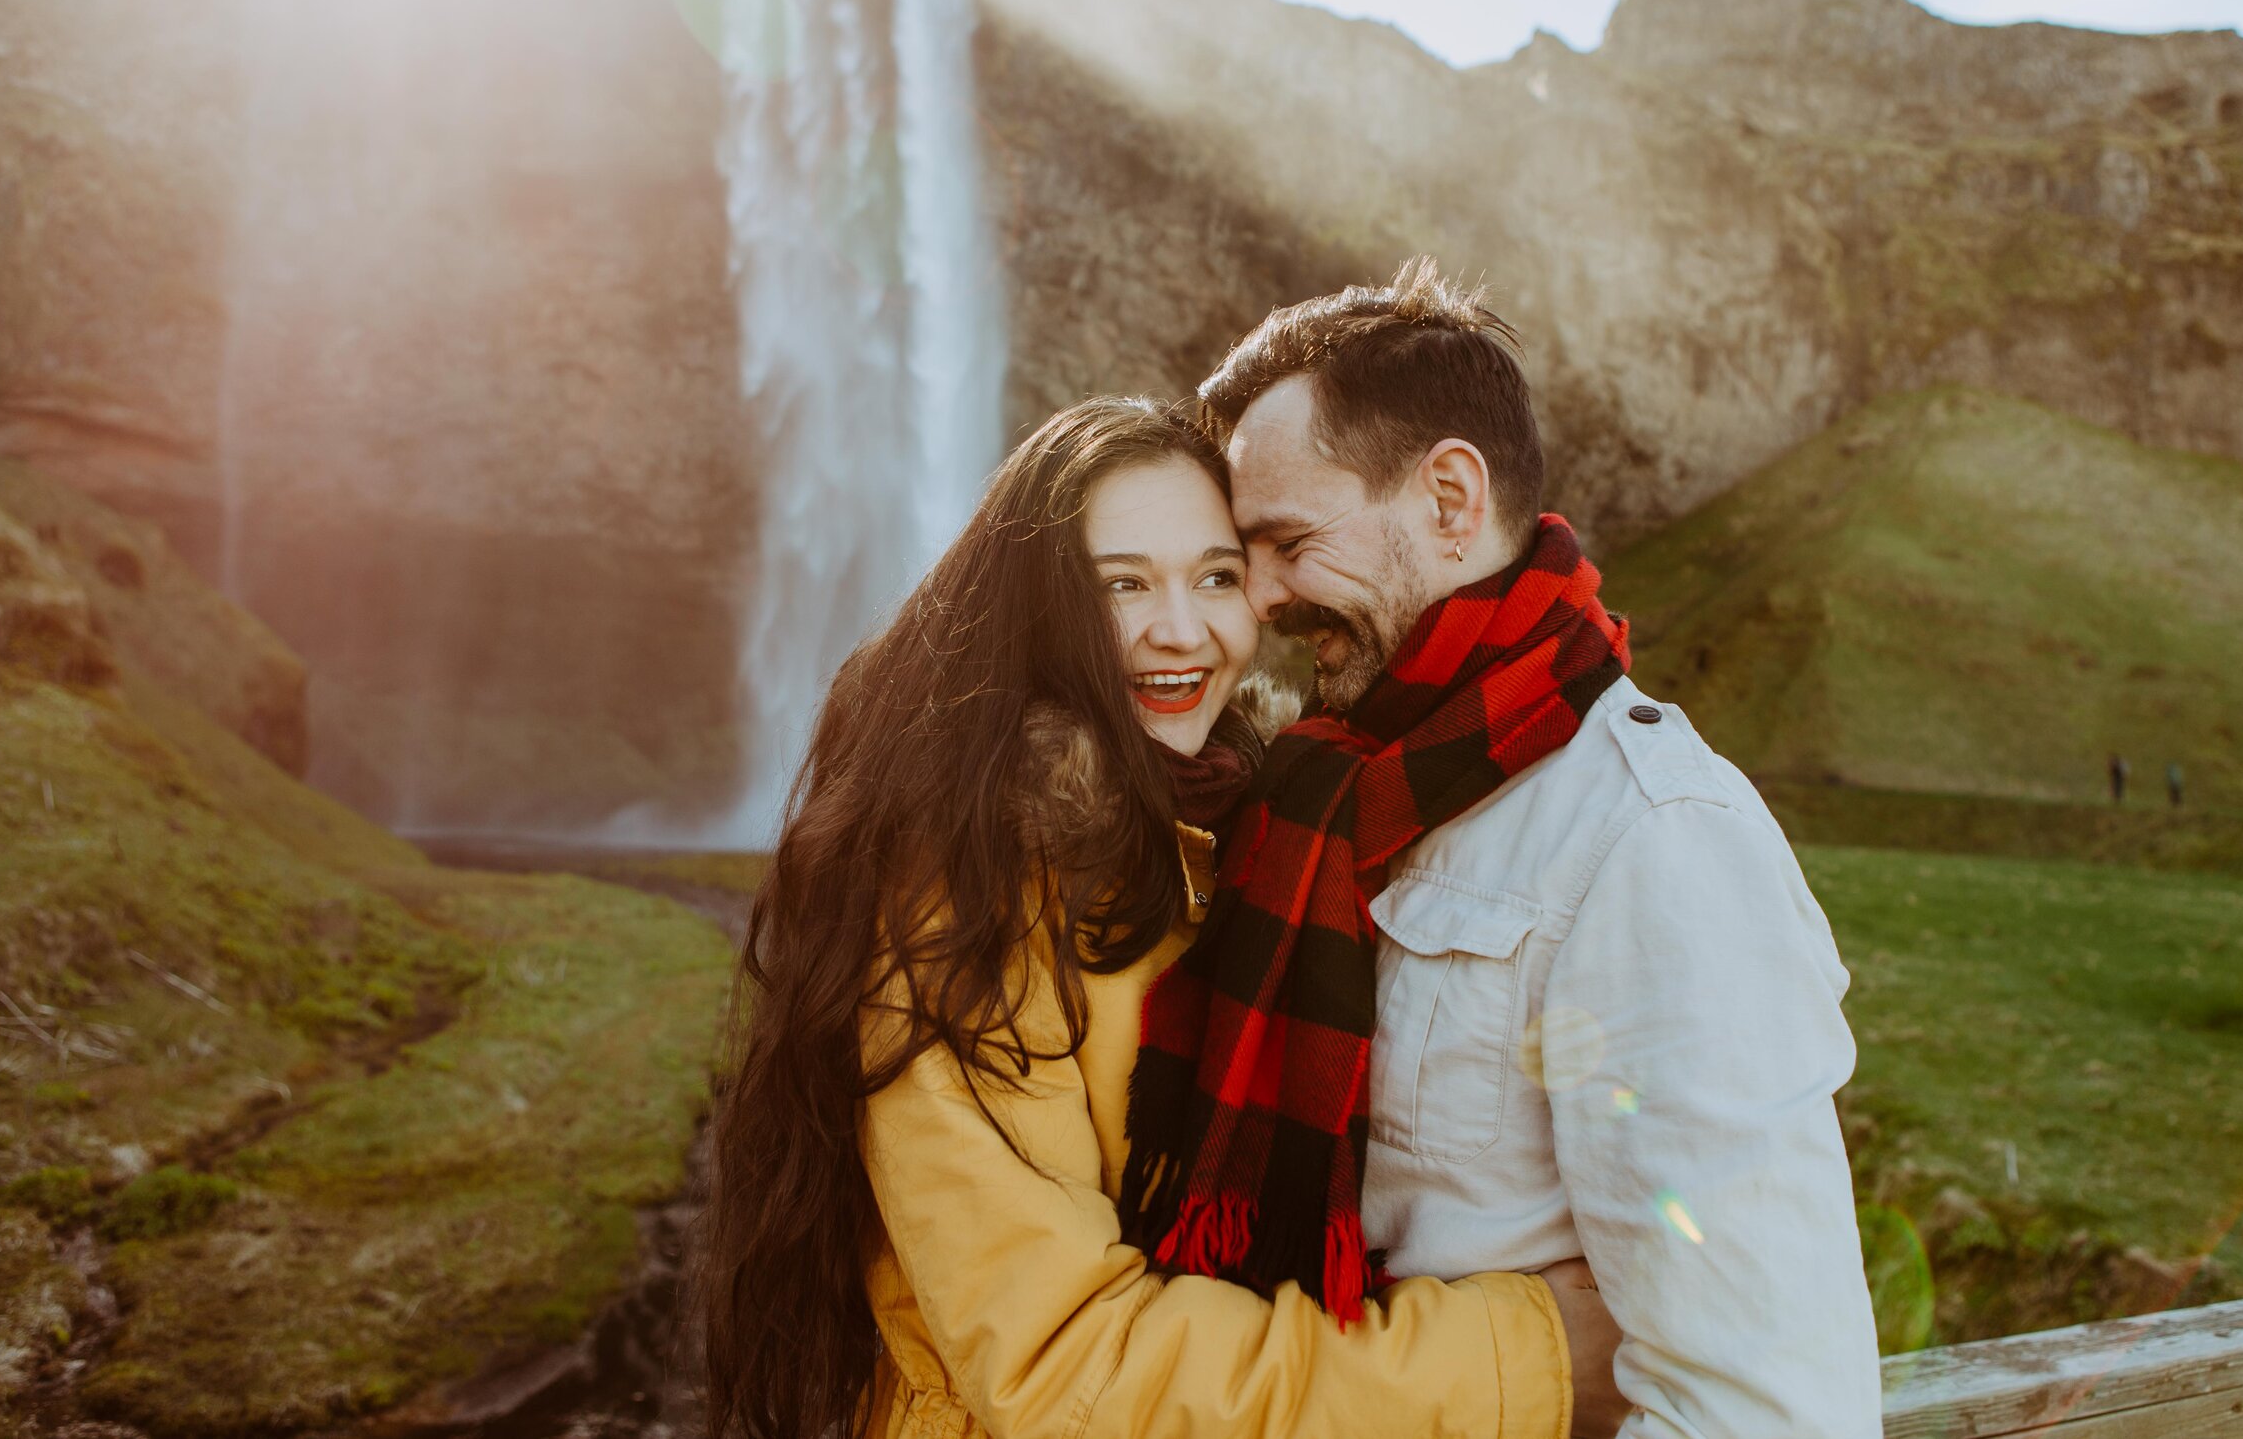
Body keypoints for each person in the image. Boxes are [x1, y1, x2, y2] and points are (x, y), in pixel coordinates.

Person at [701, 396, 1620, 1439]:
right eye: (1122, 584)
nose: (1181, 631)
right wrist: (1529, 1357)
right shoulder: (969, 895)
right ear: (1035, 610)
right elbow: (1064, 1370)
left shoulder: (1254, 833)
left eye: (1216, 576)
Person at [1142, 260, 1880, 1437]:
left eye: (1286, 540)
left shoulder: (1653, 841)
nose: (1259, 599)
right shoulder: (1323, 795)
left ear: (1447, 496)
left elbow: (1763, 1408)